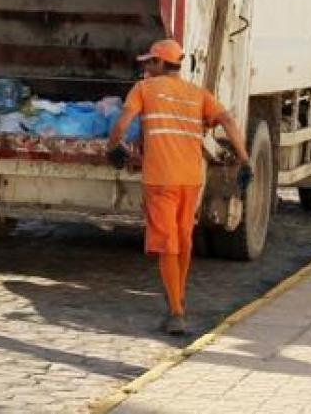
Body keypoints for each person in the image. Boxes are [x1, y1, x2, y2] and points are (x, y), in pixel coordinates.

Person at [108, 39, 252, 335]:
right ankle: (178, 295)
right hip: (190, 179)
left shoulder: (143, 89)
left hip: (160, 179)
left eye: (150, 62)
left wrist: (113, 148)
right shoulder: (197, 94)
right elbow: (227, 121)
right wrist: (244, 159)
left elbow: (123, 122)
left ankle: (176, 312)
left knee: (166, 244)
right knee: (183, 240)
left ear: (161, 64)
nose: (146, 68)